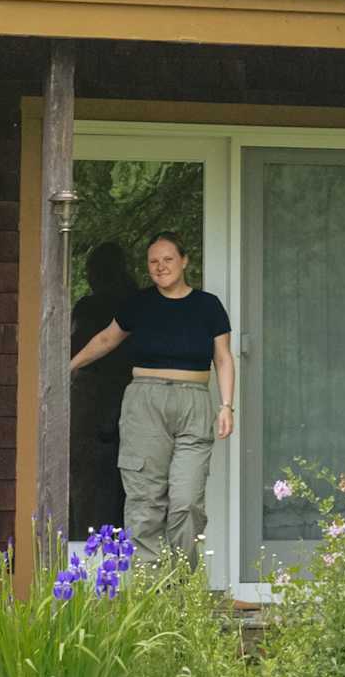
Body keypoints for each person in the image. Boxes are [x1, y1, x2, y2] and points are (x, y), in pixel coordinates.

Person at [67, 230, 231, 564]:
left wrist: (227, 405)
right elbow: (106, 340)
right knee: (145, 500)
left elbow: (224, 358)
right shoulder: (138, 304)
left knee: (187, 501)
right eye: (153, 261)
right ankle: (150, 585)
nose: (160, 266)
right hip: (145, 402)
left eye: (168, 259)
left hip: (193, 403)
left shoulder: (208, 306)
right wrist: (68, 366)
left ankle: (180, 582)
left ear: (184, 261)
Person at [68, 243, 140, 533]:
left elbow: (79, 346)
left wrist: (67, 369)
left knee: (91, 478)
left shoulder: (91, 308)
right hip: (131, 396)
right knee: (128, 478)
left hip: (96, 399)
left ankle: (89, 539)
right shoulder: (136, 300)